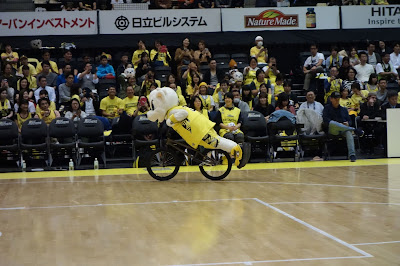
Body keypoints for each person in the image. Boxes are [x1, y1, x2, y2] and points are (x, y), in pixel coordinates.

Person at [322, 91, 363, 162]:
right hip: (333, 129)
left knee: (349, 132)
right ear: (331, 99)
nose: (337, 100)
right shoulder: (327, 108)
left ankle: (352, 155)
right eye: (335, 98)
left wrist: (347, 123)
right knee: (332, 123)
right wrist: (339, 124)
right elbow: (326, 120)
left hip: (344, 129)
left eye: (338, 98)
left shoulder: (343, 109)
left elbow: (349, 121)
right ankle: (355, 129)